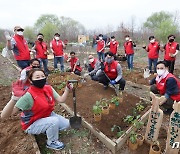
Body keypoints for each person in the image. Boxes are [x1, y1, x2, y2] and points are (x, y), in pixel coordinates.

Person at [1, 69, 73, 150]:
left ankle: (48, 129)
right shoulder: (28, 95)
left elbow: (61, 100)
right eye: (37, 77)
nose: (41, 79)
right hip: (32, 122)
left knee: (67, 124)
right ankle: (51, 142)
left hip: (47, 115)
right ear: (31, 80)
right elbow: (4, 116)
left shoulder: (48, 88)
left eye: (43, 76)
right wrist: (13, 99)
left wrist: (67, 89)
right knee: (54, 121)